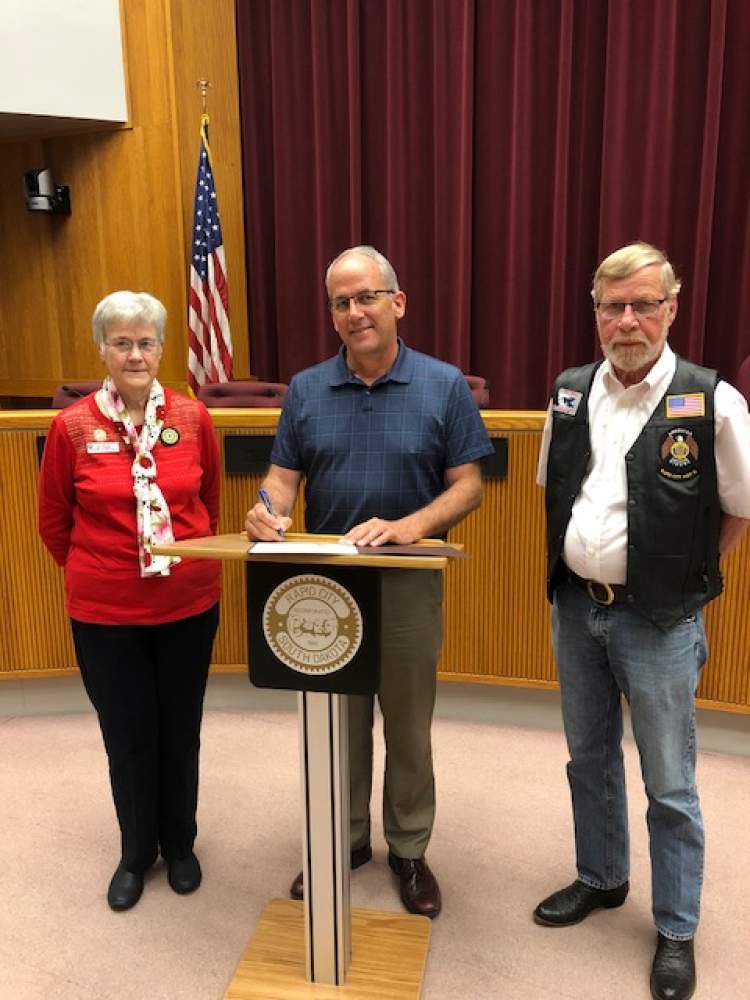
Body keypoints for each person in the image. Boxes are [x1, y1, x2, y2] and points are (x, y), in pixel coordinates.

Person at [245, 245, 493, 918]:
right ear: (332, 314)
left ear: (397, 302)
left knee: (408, 726)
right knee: (335, 721)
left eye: (366, 298)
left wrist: (415, 525)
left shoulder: (443, 386)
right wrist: (267, 510)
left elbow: (468, 486)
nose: (355, 313)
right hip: (327, 584)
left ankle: (408, 849)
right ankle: (344, 842)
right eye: (341, 302)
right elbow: (283, 478)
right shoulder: (305, 389)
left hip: (408, 577)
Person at [535, 242, 750, 1000]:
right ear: (596, 314)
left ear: (671, 309)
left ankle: (678, 928)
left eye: (642, 305)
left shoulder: (710, 399)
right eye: (611, 307)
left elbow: (737, 509)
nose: (626, 321)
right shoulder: (568, 392)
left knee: (670, 783)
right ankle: (601, 876)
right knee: (586, 760)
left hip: (658, 624)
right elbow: (556, 487)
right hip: (576, 613)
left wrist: (679, 577)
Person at [38, 291, 221, 912]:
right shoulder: (73, 426)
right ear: (103, 351)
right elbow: (53, 521)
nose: (135, 353)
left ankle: (182, 843)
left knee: (181, 731)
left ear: (162, 348)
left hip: (187, 607)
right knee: (128, 736)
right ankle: (136, 851)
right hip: (105, 614)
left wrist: (179, 561)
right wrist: (105, 571)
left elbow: (209, 503)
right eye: (122, 342)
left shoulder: (194, 418)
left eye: (146, 342)